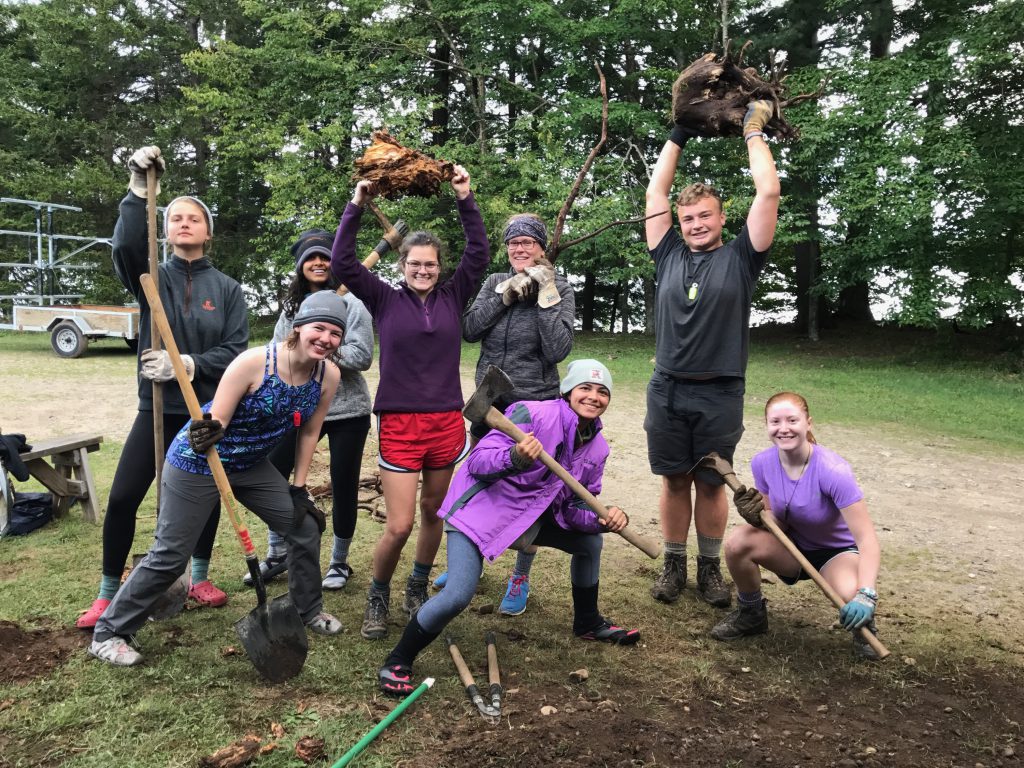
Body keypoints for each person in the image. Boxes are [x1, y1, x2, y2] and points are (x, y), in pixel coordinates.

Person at [88, 292, 347, 666]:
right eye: (318, 328)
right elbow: (218, 421)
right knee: (171, 554)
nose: (325, 338)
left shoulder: (328, 375)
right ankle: (109, 632)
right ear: (298, 329)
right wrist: (208, 431)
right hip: (200, 460)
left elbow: (309, 432)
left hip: (251, 465)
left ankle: (307, 610)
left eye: (335, 333)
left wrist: (298, 487)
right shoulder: (255, 363)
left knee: (304, 526)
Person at [378, 359, 638, 695]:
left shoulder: (597, 447)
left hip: (525, 519)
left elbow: (573, 509)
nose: (593, 396)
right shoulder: (531, 414)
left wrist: (602, 520)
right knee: (457, 594)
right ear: (567, 391)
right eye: (585, 388)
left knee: (589, 544)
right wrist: (515, 457)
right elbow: (478, 462)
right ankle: (398, 660)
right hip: (478, 512)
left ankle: (588, 622)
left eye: (602, 392)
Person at [77, 146, 249, 629]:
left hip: (205, 411)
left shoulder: (229, 290)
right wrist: (137, 189)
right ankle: (109, 591)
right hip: (155, 409)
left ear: (208, 231)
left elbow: (237, 350)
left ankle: (198, 577)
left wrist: (187, 364)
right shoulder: (149, 275)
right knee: (124, 497)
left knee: (206, 493)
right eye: (175, 218)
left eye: (194, 218)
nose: (184, 223)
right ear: (166, 229)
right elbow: (128, 245)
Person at [330, 166, 489, 640]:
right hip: (399, 423)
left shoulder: (453, 295)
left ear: (440, 267)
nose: (423, 270)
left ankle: (416, 586)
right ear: (402, 266)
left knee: (435, 513)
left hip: (445, 422)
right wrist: (355, 205)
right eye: (415, 264)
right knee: (398, 524)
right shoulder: (382, 299)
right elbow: (343, 263)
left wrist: (465, 196)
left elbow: (479, 253)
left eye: (431, 264)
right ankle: (378, 593)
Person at [643, 100, 780, 609]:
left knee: (711, 482)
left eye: (705, 216)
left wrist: (751, 130)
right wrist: (679, 130)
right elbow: (656, 190)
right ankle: (673, 567)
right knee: (675, 478)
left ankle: (709, 571)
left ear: (723, 217)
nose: (696, 224)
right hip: (668, 386)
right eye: (688, 218)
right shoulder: (669, 254)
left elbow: (768, 190)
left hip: (721, 389)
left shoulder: (743, 258)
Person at [432, 213, 575, 616]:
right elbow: (471, 329)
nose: (520, 249)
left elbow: (558, 349)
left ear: (541, 248)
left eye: (528, 242)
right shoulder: (494, 282)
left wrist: (545, 292)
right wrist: (505, 295)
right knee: (478, 482)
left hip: (536, 404)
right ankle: (467, 565)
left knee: (526, 493)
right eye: (514, 243)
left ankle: (520, 575)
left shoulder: (560, 287)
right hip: (490, 400)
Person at [241, 229, 374, 592]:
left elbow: (362, 357)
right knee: (273, 475)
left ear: (335, 263)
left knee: (344, 483)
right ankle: (277, 551)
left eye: (324, 256)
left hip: (348, 410)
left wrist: (318, 344)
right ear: (300, 267)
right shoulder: (291, 309)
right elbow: (276, 354)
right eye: (310, 258)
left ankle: (339, 562)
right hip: (297, 406)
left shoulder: (355, 304)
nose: (318, 263)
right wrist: (299, 345)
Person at [710, 392, 882, 659]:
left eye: (792, 420)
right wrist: (756, 517)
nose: (784, 428)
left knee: (851, 594)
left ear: (808, 423)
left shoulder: (833, 471)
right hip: (791, 545)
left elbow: (867, 539)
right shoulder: (763, 463)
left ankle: (864, 629)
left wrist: (866, 594)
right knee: (738, 542)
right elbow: (776, 521)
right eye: (775, 421)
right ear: (767, 426)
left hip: (835, 553)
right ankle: (751, 614)